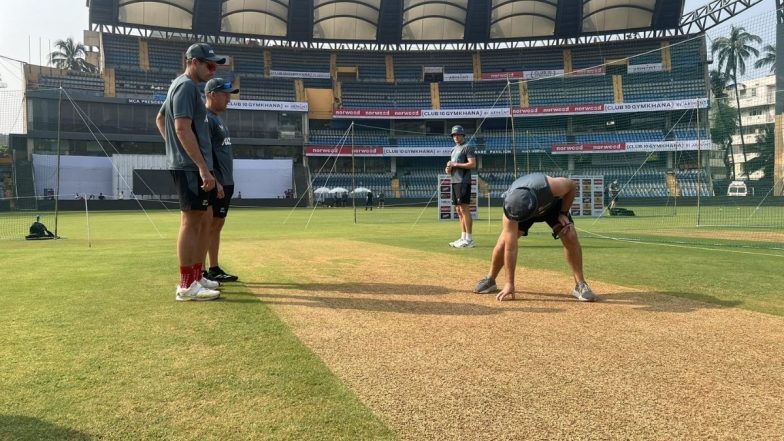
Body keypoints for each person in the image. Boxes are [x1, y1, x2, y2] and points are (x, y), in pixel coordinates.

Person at [155, 42, 226, 302]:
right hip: (189, 167)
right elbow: (181, 128)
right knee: (191, 221)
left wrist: (174, 148)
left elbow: (160, 119)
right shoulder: (185, 86)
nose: (212, 69)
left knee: (201, 218)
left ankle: (196, 276)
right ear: (193, 62)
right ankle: (187, 285)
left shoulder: (182, 86)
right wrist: (199, 166)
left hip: (188, 164)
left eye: (215, 65)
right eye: (209, 65)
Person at [473, 173, 597, 302]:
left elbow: (572, 185)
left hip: (552, 206)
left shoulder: (551, 186)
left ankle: (580, 284)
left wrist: (563, 213)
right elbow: (510, 249)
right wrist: (509, 283)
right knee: (503, 243)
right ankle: (491, 279)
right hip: (524, 210)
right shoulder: (510, 208)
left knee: (569, 234)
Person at [202, 77, 240, 283]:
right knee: (207, 226)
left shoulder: (217, 118)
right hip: (217, 182)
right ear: (212, 94)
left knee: (216, 226)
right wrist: (215, 179)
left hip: (226, 181)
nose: (228, 99)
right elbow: (205, 152)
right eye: (225, 95)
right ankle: (201, 271)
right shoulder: (206, 119)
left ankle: (213, 268)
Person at [445, 125, 476, 248]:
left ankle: (469, 239)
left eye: (458, 135)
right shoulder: (453, 149)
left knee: (464, 209)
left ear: (463, 135)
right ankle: (463, 237)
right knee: (458, 210)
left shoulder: (468, 147)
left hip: (463, 181)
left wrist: (455, 164)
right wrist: (448, 168)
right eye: (454, 135)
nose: (456, 137)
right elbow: (452, 167)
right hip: (454, 180)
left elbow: (472, 164)